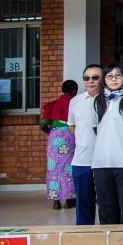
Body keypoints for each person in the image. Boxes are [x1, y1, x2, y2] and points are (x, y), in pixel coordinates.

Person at [91, 63, 123, 224]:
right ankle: (109, 236)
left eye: (117, 75)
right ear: (104, 80)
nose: (114, 79)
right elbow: (95, 128)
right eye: (109, 76)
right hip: (101, 162)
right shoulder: (98, 101)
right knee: (106, 206)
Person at [68, 65, 102, 225]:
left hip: (107, 161)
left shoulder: (111, 100)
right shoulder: (75, 101)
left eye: (95, 77)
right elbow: (72, 126)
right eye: (86, 78)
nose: (90, 81)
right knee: (83, 205)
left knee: (108, 204)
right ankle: (84, 235)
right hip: (82, 160)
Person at [40, 80, 78, 210]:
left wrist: (53, 134)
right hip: (70, 135)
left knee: (54, 168)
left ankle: (55, 201)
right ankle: (69, 200)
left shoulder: (51, 105)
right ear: (74, 91)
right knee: (69, 167)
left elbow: (42, 125)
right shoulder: (75, 103)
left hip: (54, 137)